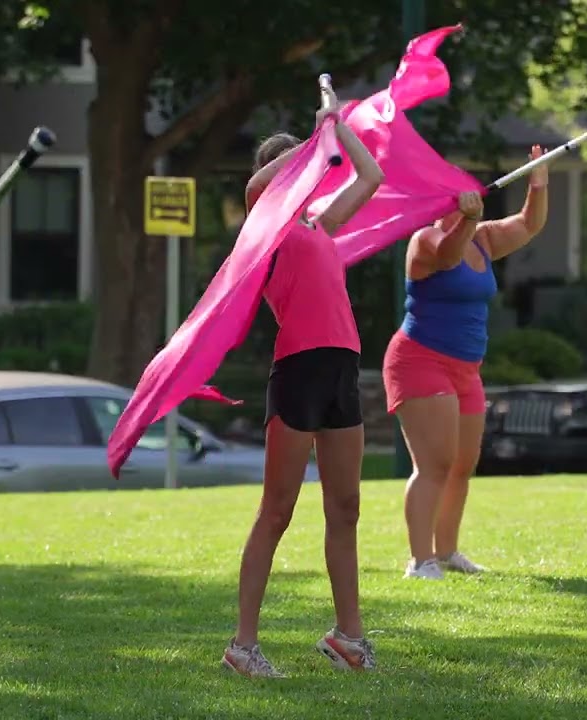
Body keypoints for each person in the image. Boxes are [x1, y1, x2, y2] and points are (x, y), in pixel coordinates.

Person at [222, 89, 384, 678]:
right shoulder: (263, 228)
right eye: (301, 169)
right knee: (277, 512)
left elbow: (371, 176)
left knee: (345, 508)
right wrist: (311, 145)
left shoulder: (321, 222)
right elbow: (253, 190)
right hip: (298, 371)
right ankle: (243, 645)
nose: (309, 179)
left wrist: (337, 131)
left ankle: (348, 637)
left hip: (341, 367)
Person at [384, 145, 550, 580]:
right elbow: (447, 257)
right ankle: (420, 561)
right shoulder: (426, 239)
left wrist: (539, 180)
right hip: (419, 361)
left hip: (466, 368)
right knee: (434, 464)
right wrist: (469, 219)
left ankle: (448, 552)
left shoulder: (483, 237)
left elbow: (530, 224)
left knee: (462, 464)